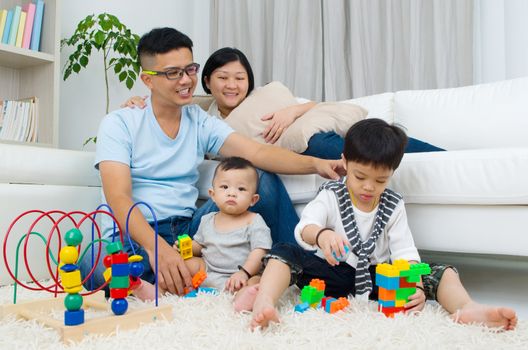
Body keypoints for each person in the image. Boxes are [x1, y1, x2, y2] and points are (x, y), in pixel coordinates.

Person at [80, 27, 344, 297]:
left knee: (260, 177)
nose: (185, 80)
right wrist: (156, 248)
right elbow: (119, 197)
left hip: (189, 232)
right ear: (148, 80)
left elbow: (258, 153)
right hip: (136, 235)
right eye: (173, 73)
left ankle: (297, 267)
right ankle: (180, 277)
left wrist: (317, 164)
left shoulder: (199, 120)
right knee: (93, 265)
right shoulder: (120, 123)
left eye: (190, 69)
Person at [246, 118, 517, 331]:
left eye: (380, 181)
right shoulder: (332, 194)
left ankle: (466, 307)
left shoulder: (393, 204)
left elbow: (405, 252)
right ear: (345, 162)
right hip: (329, 272)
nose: (368, 187)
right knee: (283, 252)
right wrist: (322, 235)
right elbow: (305, 227)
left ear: (391, 174)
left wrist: (417, 286)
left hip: (379, 277)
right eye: (360, 176)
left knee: (440, 270)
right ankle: (265, 300)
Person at [124, 47, 444, 159]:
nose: (232, 85)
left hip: (314, 131)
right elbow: (172, 100)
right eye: (223, 78)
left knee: (369, 136)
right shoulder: (202, 111)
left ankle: (440, 156)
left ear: (249, 81)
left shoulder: (264, 99)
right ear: (207, 81)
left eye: (240, 77)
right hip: (305, 148)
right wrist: (141, 99)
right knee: (336, 146)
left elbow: (316, 105)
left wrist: (294, 110)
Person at [134, 156, 272, 302]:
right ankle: (158, 291)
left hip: (238, 275)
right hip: (207, 270)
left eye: (241, 189)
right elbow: (200, 246)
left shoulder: (254, 221)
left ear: (253, 199)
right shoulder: (208, 219)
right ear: (213, 195)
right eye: (224, 187)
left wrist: (244, 273)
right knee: (183, 264)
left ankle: (244, 298)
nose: (232, 193)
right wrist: (185, 248)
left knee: (259, 281)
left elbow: (260, 251)